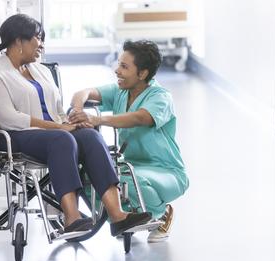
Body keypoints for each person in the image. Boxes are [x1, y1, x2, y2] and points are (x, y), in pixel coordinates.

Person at [0, 14, 151, 237]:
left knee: (90, 135)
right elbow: (8, 117)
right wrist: (58, 128)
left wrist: (72, 119)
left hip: (54, 134)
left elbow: (57, 110)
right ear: (19, 41)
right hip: (14, 136)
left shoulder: (41, 70)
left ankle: (118, 216)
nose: (42, 44)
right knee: (63, 139)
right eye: (38, 38)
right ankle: (72, 218)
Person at [69, 40, 189, 242]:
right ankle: (125, 220)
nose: (117, 71)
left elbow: (141, 118)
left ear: (142, 74)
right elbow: (84, 92)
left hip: (166, 170)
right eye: (119, 64)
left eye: (124, 67)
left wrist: (98, 119)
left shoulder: (161, 97)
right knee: (89, 179)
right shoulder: (121, 91)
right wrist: (77, 110)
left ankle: (162, 213)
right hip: (132, 166)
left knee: (124, 180)